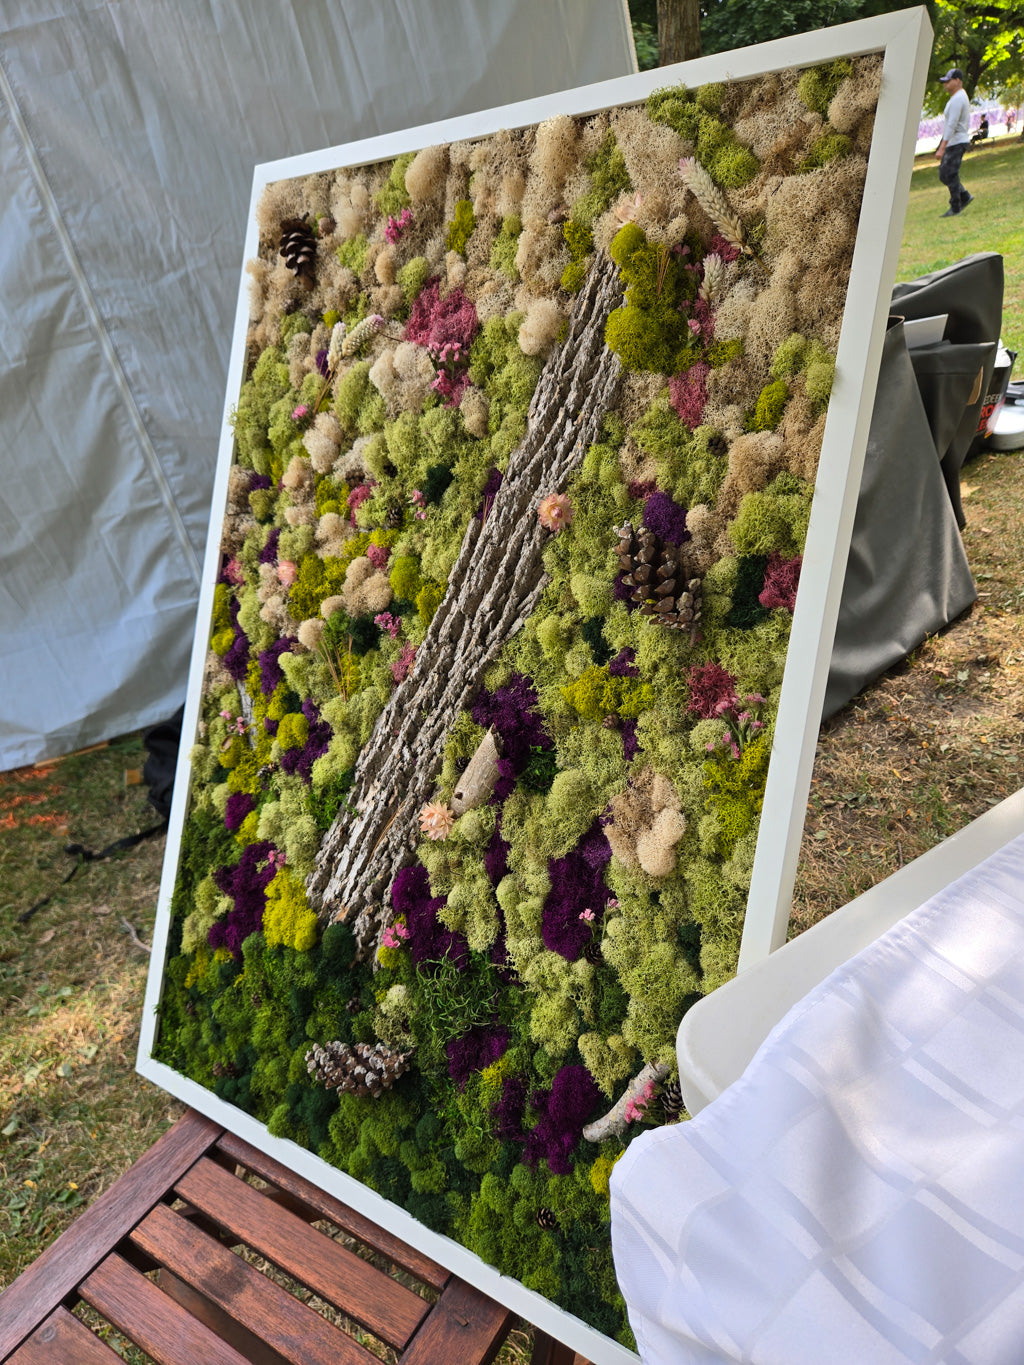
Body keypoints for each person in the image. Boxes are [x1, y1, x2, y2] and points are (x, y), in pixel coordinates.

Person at [934, 68, 973, 216]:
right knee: (946, 174)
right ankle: (964, 196)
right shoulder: (957, 97)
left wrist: (942, 147)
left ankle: (956, 206)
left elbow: (952, 124)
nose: (945, 85)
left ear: (957, 81)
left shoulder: (958, 99)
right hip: (954, 141)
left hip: (957, 141)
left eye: (948, 81)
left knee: (949, 173)